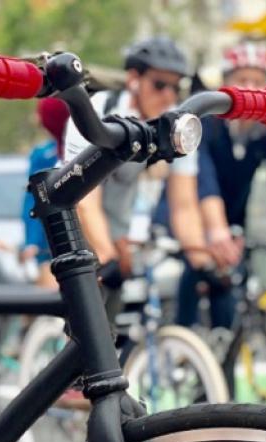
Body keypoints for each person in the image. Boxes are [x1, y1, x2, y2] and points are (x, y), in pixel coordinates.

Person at [171, 42, 266, 329]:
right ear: (226, 84)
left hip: (235, 216)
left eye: (258, 81)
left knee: (230, 292)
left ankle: (221, 359)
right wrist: (216, 230)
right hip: (195, 211)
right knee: (197, 267)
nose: (250, 88)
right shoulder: (207, 121)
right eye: (242, 80)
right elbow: (206, 182)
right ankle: (181, 345)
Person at [63, 35, 199, 316]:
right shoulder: (96, 112)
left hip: (117, 231)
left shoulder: (176, 127)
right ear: (133, 78)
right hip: (71, 215)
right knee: (84, 319)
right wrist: (106, 253)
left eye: (176, 87)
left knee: (111, 325)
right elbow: (84, 198)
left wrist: (201, 257)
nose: (169, 96)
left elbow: (184, 205)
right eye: (160, 84)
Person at [21, 98, 69, 288]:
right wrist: (31, 241)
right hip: (48, 244)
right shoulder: (43, 155)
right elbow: (33, 199)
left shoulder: (78, 151)